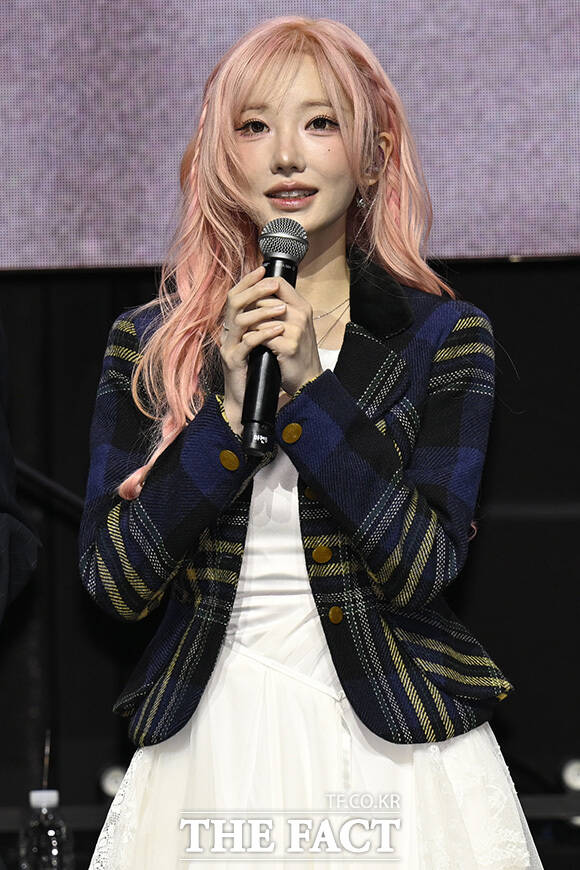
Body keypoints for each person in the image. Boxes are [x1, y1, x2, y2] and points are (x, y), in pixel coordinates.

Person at [79, 16, 543, 869]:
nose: (287, 155)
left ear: (370, 157)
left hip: (393, 746)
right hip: (208, 743)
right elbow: (115, 582)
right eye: (255, 126)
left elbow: (425, 564)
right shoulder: (150, 342)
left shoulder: (441, 338)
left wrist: (310, 391)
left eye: (320, 122)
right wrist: (225, 412)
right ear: (223, 157)